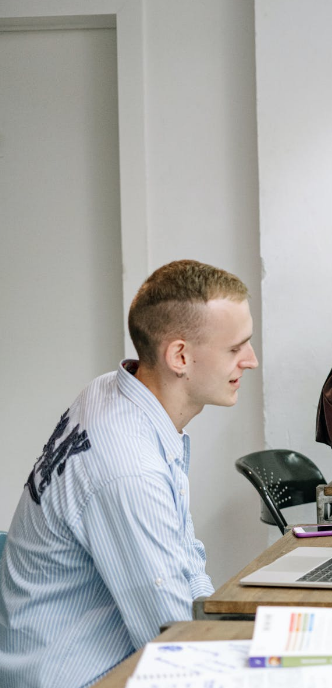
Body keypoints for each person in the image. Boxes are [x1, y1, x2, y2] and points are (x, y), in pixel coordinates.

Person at [0, 260, 259, 688]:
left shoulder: (114, 389)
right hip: (77, 676)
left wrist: (224, 627)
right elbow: (175, 645)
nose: (250, 360)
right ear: (180, 356)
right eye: (236, 348)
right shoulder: (128, 469)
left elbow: (181, 558)